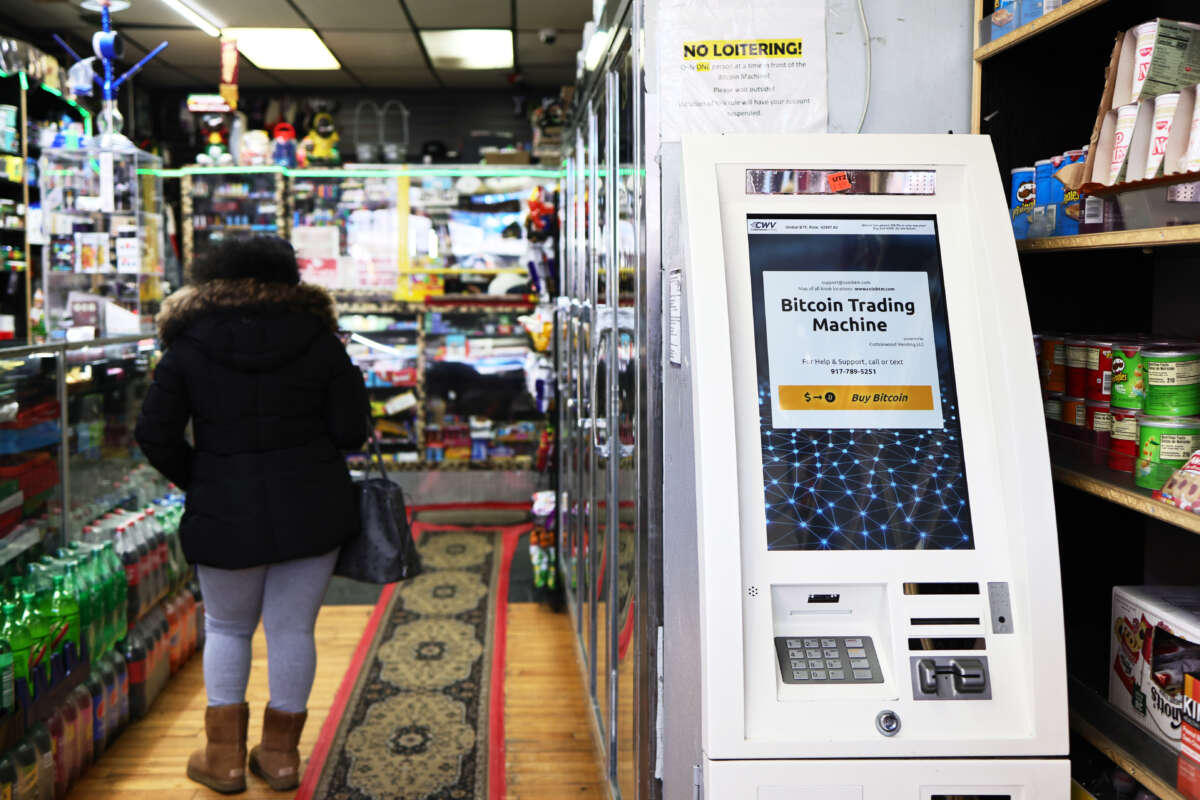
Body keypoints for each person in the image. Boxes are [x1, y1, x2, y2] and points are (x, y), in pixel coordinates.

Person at [134, 236, 367, 793]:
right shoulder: (320, 339)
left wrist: (203, 476)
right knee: (292, 629)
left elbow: (153, 433)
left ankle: (225, 760)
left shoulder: (187, 343)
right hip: (312, 505)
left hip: (224, 506)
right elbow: (350, 433)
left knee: (227, 627)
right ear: (291, 279)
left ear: (210, 277)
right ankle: (282, 758)